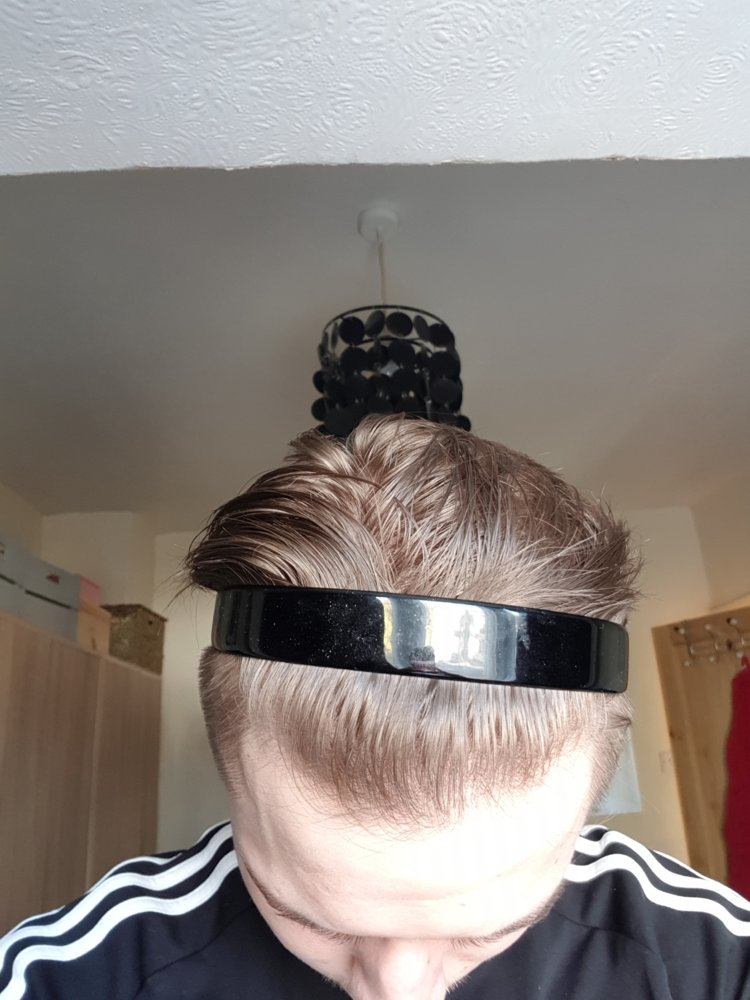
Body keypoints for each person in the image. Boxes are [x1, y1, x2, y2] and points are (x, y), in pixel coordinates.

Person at [1, 415, 748, 999]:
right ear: (229, 772)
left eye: (485, 931)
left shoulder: (716, 961)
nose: (399, 994)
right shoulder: (70, 974)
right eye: (314, 922)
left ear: (587, 808)